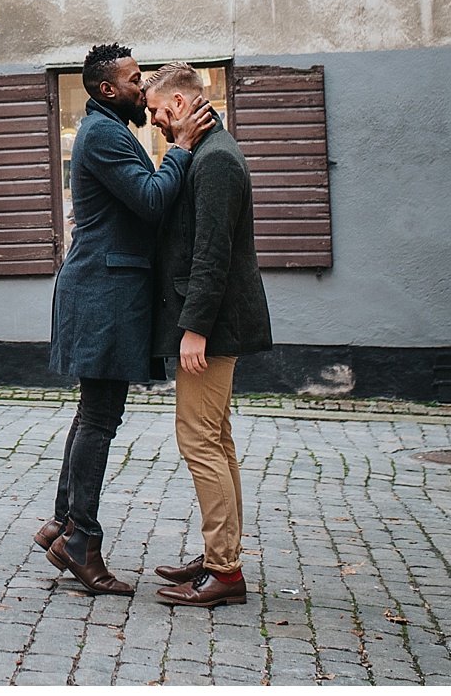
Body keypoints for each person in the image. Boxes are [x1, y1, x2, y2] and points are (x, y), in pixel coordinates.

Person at [36, 43, 213, 596]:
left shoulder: (111, 128)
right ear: (109, 89)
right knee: (100, 418)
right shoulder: (105, 134)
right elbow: (153, 200)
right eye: (137, 81)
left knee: (93, 413)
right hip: (103, 294)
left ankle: (63, 524)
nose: (145, 88)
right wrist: (181, 147)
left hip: (105, 291)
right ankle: (81, 543)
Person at [141, 64, 273, 609]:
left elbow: (212, 254)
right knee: (216, 439)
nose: (151, 120)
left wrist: (192, 330)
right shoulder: (208, 151)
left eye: (154, 111)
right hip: (214, 326)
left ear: (177, 103)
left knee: (199, 440)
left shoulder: (216, 159)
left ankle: (225, 572)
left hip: (211, 330)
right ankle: (222, 555)